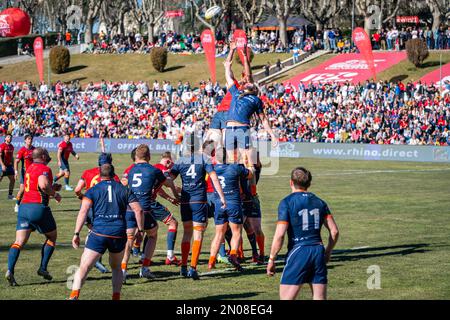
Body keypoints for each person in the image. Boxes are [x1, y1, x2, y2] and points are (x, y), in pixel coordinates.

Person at [69, 164, 144, 300]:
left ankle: (74, 296)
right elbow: (138, 210)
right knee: (116, 268)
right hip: (118, 234)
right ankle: (116, 297)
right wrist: (140, 230)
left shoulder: (92, 190)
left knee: (84, 266)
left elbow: (84, 211)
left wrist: (76, 233)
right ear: (113, 174)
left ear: (99, 175)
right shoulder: (124, 189)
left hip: (98, 233)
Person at [266, 167, 339, 300]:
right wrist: (327, 252)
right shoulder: (320, 202)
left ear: (291, 182)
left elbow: (280, 235)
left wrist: (271, 259)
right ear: (309, 184)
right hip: (318, 250)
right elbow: (334, 231)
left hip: (298, 251)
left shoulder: (286, 202)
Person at [170, 134, 226, 280]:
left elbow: (168, 179)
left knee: (186, 233)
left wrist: (175, 194)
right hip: (199, 201)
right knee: (198, 234)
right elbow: (213, 177)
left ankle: (183, 266)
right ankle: (193, 267)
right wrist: (221, 196)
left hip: (185, 201)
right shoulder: (204, 159)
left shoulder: (181, 160)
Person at [5, 147, 62, 286]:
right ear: (43, 156)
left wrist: (52, 187)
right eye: (47, 155)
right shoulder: (44, 169)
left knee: (19, 242)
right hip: (38, 208)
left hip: (24, 208)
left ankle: (10, 270)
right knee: (52, 237)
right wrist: (55, 194)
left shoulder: (29, 168)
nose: (48, 157)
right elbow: (43, 185)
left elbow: (29, 187)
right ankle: (43, 268)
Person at [127, 144, 179, 279]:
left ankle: (123, 269)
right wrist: (176, 196)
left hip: (129, 207)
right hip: (145, 206)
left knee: (129, 237)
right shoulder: (154, 170)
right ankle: (146, 265)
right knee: (154, 233)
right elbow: (168, 183)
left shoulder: (131, 170)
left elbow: (124, 183)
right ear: (148, 156)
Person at [223, 52, 277, 163]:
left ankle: (248, 179)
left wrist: (272, 135)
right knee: (231, 161)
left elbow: (263, 120)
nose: (248, 82)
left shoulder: (256, 100)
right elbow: (228, 77)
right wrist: (228, 65)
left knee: (246, 161)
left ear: (254, 89)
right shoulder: (236, 92)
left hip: (242, 129)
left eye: (251, 83)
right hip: (229, 129)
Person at [74, 149, 121, 274]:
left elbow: (77, 189)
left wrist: (82, 197)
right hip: (102, 208)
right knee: (99, 233)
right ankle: (95, 259)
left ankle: (92, 259)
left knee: (92, 231)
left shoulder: (87, 172)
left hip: (88, 207)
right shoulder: (113, 176)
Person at [208, 147, 253, 272]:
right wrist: (248, 163)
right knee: (236, 232)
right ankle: (233, 255)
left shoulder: (212, 169)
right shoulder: (235, 167)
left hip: (219, 204)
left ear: (215, 158)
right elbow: (250, 175)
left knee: (219, 234)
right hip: (233, 203)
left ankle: (211, 260)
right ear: (227, 156)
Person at [152, 152, 181, 265]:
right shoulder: (163, 169)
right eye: (173, 164)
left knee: (148, 227)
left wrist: (169, 199)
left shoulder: (154, 167)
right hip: (149, 202)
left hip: (137, 201)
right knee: (173, 223)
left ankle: (142, 255)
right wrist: (177, 196)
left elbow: (158, 188)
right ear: (168, 162)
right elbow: (169, 184)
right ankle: (170, 256)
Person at [14, 134, 35, 212]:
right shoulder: (22, 150)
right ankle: (17, 204)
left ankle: (34, 205)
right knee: (22, 190)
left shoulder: (34, 149)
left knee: (34, 189)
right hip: (25, 173)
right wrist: (16, 172)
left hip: (33, 173)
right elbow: (16, 161)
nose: (30, 140)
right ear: (25, 140)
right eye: (28, 139)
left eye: (31, 139)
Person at [0, 134, 16, 200]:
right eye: (8, 137)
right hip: (2, 165)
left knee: (13, 179)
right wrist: (2, 165)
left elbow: (11, 157)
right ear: (5, 138)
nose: (10, 138)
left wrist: (13, 166)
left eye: (11, 137)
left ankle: (10, 195)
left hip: (9, 166)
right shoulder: (2, 145)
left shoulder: (12, 146)